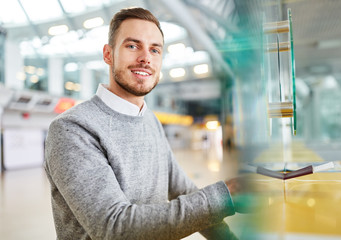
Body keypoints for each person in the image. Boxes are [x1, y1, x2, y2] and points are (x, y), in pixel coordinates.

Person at [44, 7, 250, 240]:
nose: (145, 58)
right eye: (132, 46)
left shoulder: (149, 119)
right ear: (108, 54)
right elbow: (115, 227)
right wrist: (226, 195)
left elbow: (182, 189)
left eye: (155, 50)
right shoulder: (72, 129)